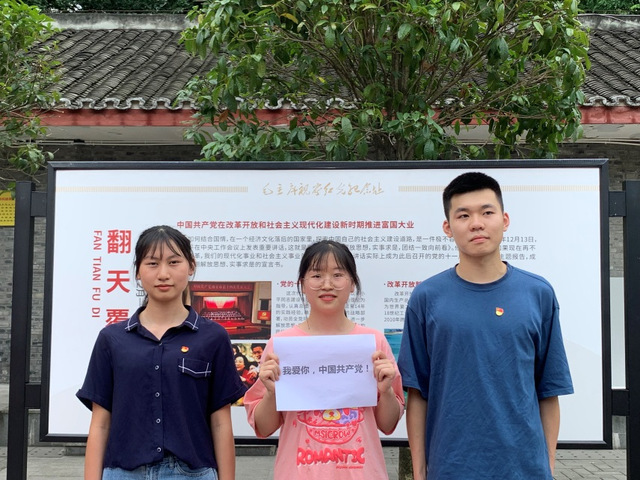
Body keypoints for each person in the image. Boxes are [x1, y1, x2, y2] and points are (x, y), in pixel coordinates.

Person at [398, 172, 574, 480]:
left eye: (487, 212)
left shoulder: (538, 293)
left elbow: (548, 390)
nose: (476, 223)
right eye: (463, 215)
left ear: (505, 220)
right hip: (451, 467)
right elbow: (418, 393)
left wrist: (546, 465)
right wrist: (419, 472)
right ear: (448, 227)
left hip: (524, 469)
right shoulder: (426, 298)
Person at [77, 225, 246, 480]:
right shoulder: (112, 339)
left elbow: (221, 423)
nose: (163, 274)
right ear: (138, 271)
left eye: (174, 262)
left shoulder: (213, 337)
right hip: (124, 473)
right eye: (152, 263)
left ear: (191, 266)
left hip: (192, 473)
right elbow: (100, 424)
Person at [244, 240, 405, 479]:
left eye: (338, 275)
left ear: (352, 283)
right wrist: (271, 393)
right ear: (302, 284)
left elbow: (388, 424)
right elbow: (264, 428)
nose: (327, 284)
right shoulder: (280, 346)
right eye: (317, 275)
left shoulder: (374, 343)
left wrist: (386, 391)